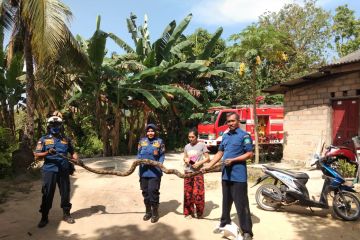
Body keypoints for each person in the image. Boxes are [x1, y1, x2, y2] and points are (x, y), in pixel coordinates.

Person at [201, 112, 254, 240]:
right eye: (228, 121)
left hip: (239, 176)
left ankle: (247, 231)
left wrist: (233, 160)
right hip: (226, 175)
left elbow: (249, 154)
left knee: (241, 204)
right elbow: (220, 152)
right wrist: (210, 165)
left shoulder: (244, 136)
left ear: (238, 121)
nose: (230, 123)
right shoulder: (225, 136)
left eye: (232, 121)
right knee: (226, 202)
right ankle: (224, 223)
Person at [34, 113, 80, 228]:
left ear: (61, 125)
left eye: (57, 124)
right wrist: (47, 152)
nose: (55, 126)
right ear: (49, 126)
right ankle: (44, 217)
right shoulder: (43, 139)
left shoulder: (66, 139)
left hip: (64, 170)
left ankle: (66, 214)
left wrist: (76, 158)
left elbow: (73, 152)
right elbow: (36, 155)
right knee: (47, 193)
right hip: (49, 171)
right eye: (53, 124)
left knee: (65, 192)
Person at [137, 123, 165, 223]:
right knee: (145, 192)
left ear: (155, 132)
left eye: (152, 131)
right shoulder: (142, 141)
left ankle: (155, 212)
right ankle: (148, 212)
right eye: (148, 131)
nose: (150, 133)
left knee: (153, 191)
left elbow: (162, 155)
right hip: (144, 171)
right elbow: (138, 154)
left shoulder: (159, 141)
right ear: (146, 132)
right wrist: (139, 160)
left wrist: (160, 164)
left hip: (155, 172)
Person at [183, 129, 210, 219]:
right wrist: (186, 160)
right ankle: (188, 212)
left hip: (198, 172)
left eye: (192, 137)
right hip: (188, 172)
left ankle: (199, 212)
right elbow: (185, 157)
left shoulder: (202, 145)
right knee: (188, 193)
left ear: (196, 136)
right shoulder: (187, 146)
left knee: (198, 193)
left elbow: (207, 158)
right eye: (189, 137)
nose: (191, 139)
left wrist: (199, 163)